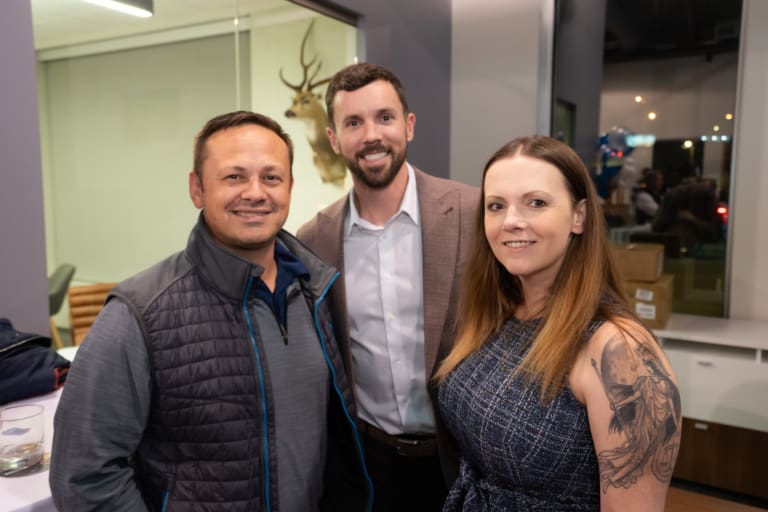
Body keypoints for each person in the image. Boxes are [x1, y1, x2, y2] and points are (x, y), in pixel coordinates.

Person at [49, 111, 371, 512]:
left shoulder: (315, 291)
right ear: (197, 189)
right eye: (234, 177)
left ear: (289, 186)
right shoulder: (138, 314)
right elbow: (84, 475)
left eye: (271, 177)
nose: (255, 193)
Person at [435, 135, 681, 511]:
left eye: (536, 203)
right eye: (496, 206)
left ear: (579, 217)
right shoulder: (499, 312)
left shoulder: (620, 353)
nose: (511, 222)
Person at [297, 63, 479, 512]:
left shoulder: (474, 213)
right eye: (353, 123)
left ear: (409, 126)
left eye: (384, 117)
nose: (372, 135)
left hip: (463, 459)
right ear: (334, 139)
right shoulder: (313, 240)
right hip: (367, 464)